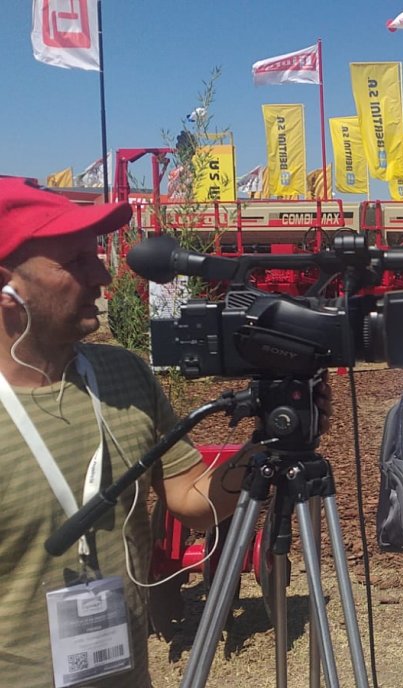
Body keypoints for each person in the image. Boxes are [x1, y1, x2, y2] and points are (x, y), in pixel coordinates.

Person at [0, 179, 329, 687]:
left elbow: (193, 501)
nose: (103, 275)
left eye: (97, 257)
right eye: (75, 261)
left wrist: (271, 442)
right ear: (7, 284)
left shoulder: (124, 376)